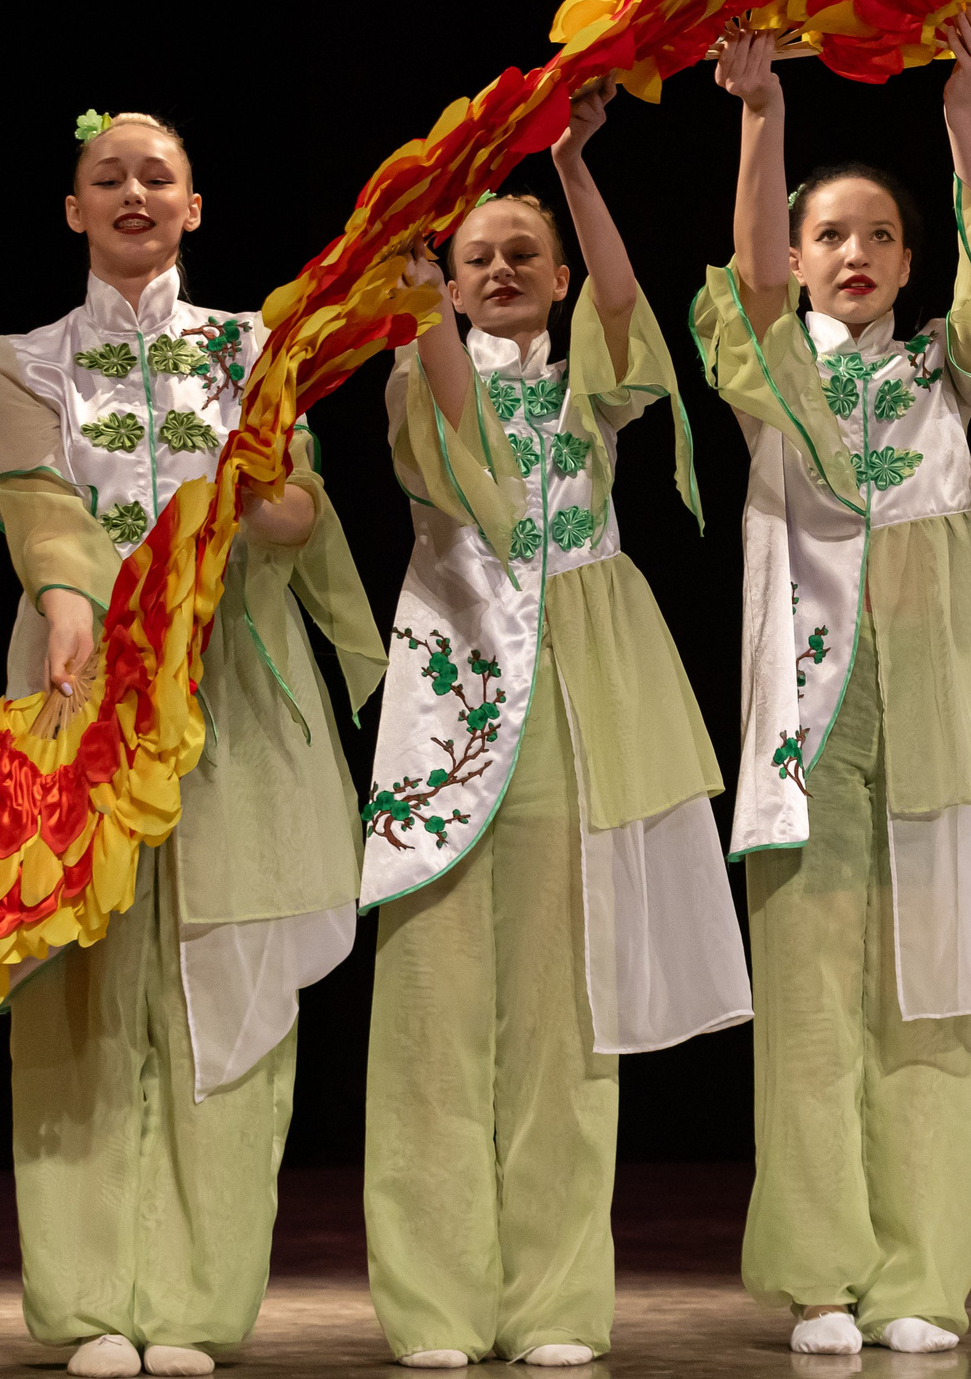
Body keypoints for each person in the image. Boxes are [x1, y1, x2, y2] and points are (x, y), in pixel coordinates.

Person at [691, 12, 971, 1357]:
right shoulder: (774, 376)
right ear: (801, 259)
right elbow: (739, 292)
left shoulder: (942, 375)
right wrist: (762, 114)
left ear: (911, 262)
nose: (854, 255)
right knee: (810, 1005)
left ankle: (920, 1277)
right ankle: (819, 1275)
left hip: (944, 711)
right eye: (831, 236)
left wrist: (967, 114)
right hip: (810, 720)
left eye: (880, 237)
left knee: (934, 1000)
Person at [0, 110, 386, 1379]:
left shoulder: (253, 347)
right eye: (107, 177)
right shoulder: (28, 356)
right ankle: (96, 1297)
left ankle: (200, 1298)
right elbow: (37, 501)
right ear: (73, 210)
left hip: (232, 688)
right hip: (81, 677)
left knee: (225, 977)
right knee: (82, 988)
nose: (132, 193)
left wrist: (278, 506)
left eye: (156, 175)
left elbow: (298, 501)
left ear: (195, 206)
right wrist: (68, 601)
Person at [360, 82, 750, 1370]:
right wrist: (415, 297)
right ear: (453, 288)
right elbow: (463, 456)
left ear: (559, 273)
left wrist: (576, 168)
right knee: (429, 1020)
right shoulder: (421, 377)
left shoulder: (589, 389)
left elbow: (634, 327)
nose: (505, 268)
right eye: (479, 259)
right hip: (452, 699)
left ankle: (555, 1303)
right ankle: (433, 1305)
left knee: (567, 1024)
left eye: (525, 252)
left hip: (581, 702)